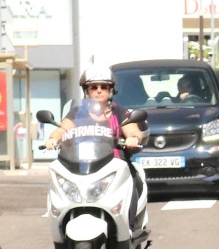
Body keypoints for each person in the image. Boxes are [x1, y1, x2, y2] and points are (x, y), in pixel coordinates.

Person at [45, 66, 147, 224]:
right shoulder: (77, 112)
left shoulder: (119, 112)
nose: (99, 91)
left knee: (132, 183)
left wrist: (133, 138)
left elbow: (133, 130)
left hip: (115, 165)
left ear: (111, 90)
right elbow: (62, 129)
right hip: (83, 166)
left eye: (104, 87)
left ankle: (130, 226)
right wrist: (53, 139)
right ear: (86, 91)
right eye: (94, 87)